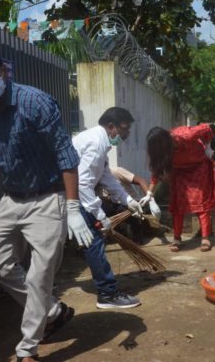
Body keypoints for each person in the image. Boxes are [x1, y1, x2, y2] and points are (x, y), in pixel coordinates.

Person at [0, 43, 93, 362]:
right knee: (2, 269)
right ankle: (52, 311)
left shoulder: (34, 102)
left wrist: (73, 208)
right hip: (12, 198)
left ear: (3, 70)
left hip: (48, 198)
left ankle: (27, 349)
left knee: (38, 277)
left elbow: (65, 153)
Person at [71, 107, 142, 310]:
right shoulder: (95, 144)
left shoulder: (100, 142)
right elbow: (83, 184)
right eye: (124, 129)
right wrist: (100, 215)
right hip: (71, 197)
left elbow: (106, 177)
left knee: (90, 241)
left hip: (73, 196)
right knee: (94, 241)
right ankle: (107, 294)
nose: (126, 135)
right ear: (111, 127)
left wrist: (128, 200)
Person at [146, 124, 215, 252]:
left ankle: (205, 237)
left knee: (201, 204)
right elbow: (157, 169)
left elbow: (207, 128)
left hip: (199, 167)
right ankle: (177, 238)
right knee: (178, 205)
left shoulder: (185, 134)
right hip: (180, 171)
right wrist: (149, 193)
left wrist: (208, 145)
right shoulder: (161, 151)